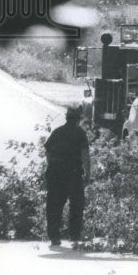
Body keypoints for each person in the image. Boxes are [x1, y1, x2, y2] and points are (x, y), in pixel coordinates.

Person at [44, 105, 91, 248]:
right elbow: (85, 155)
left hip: (55, 171)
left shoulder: (57, 132)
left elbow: (47, 152)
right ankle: (74, 236)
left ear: (67, 117)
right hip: (73, 172)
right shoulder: (80, 133)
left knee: (54, 204)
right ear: (79, 119)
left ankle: (54, 237)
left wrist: (52, 166)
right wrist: (88, 173)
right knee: (76, 204)